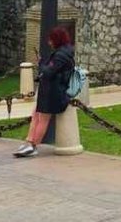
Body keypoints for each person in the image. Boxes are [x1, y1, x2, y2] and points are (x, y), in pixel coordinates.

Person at [14, 26, 75, 158]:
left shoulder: (61, 55)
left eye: (51, 40)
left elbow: (49, 72)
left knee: (43, 118)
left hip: (54, 92)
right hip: (48, 90)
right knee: (35, 114)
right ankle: (29, 141)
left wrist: (41, 63)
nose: (49, 43)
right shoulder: (62, 53)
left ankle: (33, 146)